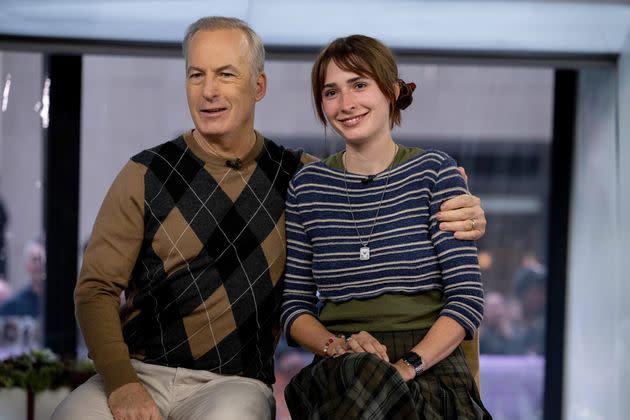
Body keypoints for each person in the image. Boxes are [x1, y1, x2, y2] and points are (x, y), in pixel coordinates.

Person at [53, 17, 487, 420]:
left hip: (235, 383)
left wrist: (466, 206)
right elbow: (95, 291)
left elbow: (376, 184)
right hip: (141, 369)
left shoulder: (299, 176)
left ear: (258, 86)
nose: (209, 91)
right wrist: (122, 384)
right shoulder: (147, 174)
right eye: (196, 74)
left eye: (226, 74)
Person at [280, 35, 492, 419]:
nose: (346, 104)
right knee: (365, 384)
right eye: (331, 92)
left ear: (392, 91)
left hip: (429, 361)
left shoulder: (434, 172)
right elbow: (294, 308)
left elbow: (466, 301)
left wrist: (405, 367)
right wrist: (337, 346)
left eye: (359, 85)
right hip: (343, 362)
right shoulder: (307, 188)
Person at [0, 239, 45, 318]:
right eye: (34, 260)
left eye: (42, 260)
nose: (39, 265)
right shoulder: (12, 306)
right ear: (26, 265)